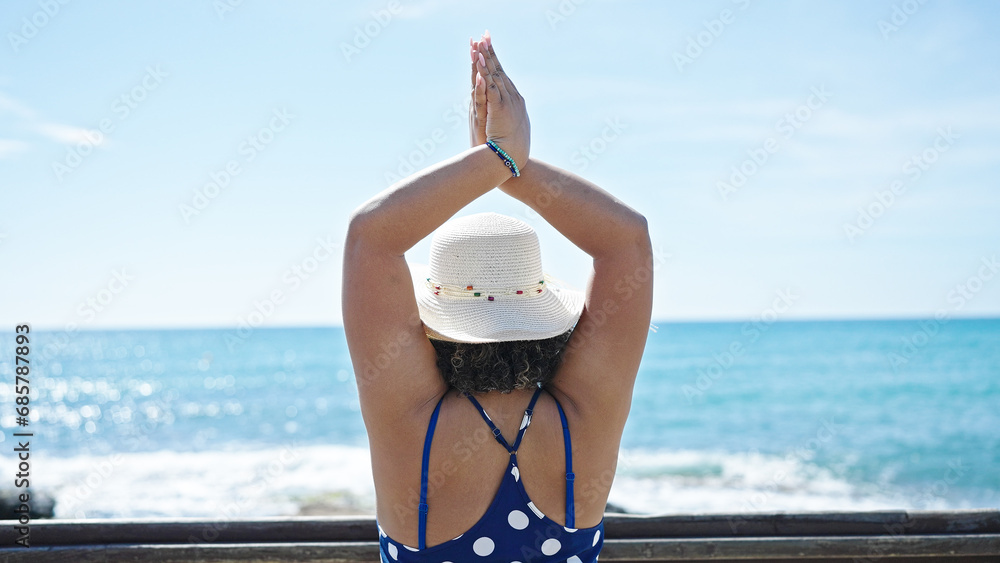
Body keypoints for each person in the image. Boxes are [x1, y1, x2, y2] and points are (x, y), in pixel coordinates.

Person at [343, 31, 652, 562]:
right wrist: (511, 170)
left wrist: (495, 161)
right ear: (543, 315)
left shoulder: (412, 424)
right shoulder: (583, 418)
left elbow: (371, 236)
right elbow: (627, 239)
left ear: (432, 322)